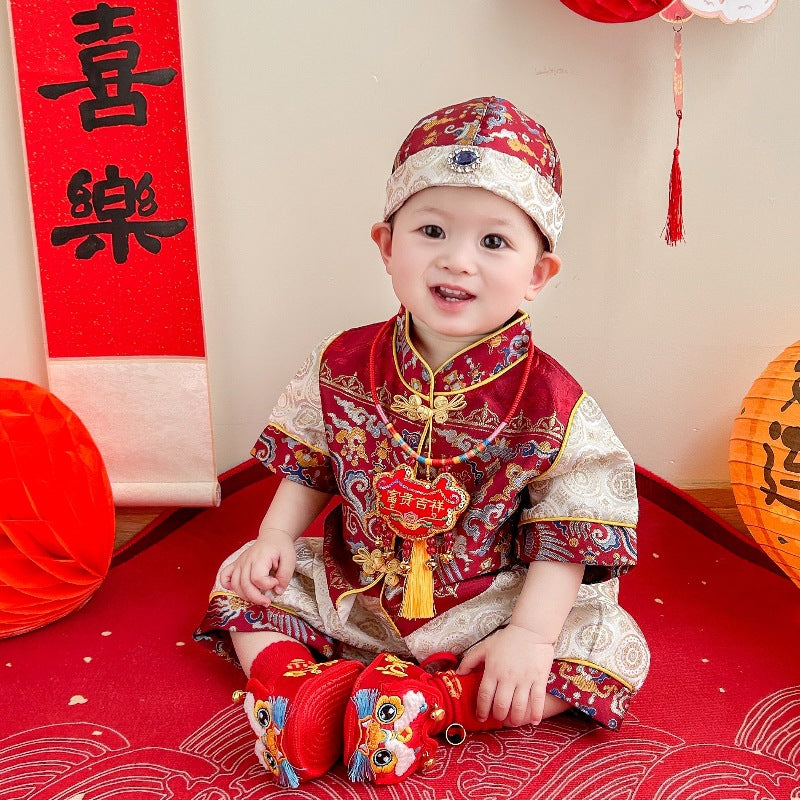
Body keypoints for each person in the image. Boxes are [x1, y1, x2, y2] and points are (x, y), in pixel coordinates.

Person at [194, 96, 649, 788]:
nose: (457, 262)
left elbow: (571, 530)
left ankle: (428, 703)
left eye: (493, 242)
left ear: (538, 274)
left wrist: (528, 638)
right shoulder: (344, 360)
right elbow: (311, 458)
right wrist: (276, 536)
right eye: (432, 230)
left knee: (607, 646)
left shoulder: (552, 399)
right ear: (386, 246)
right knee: (242, 584)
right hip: (358, 589)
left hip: (490, 605)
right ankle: (295, 690)